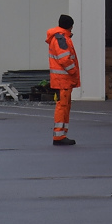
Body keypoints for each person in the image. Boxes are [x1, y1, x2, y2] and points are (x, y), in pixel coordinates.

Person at [46, 14, 80, 145]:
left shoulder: (59, 37)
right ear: (70, 26)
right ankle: (59, 136)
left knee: (64, 107)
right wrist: (73, 71)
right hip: (63, 80)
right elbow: (65, 59)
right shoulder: (61, 39)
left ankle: (61, 134)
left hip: (61, 80)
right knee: (62, 107)